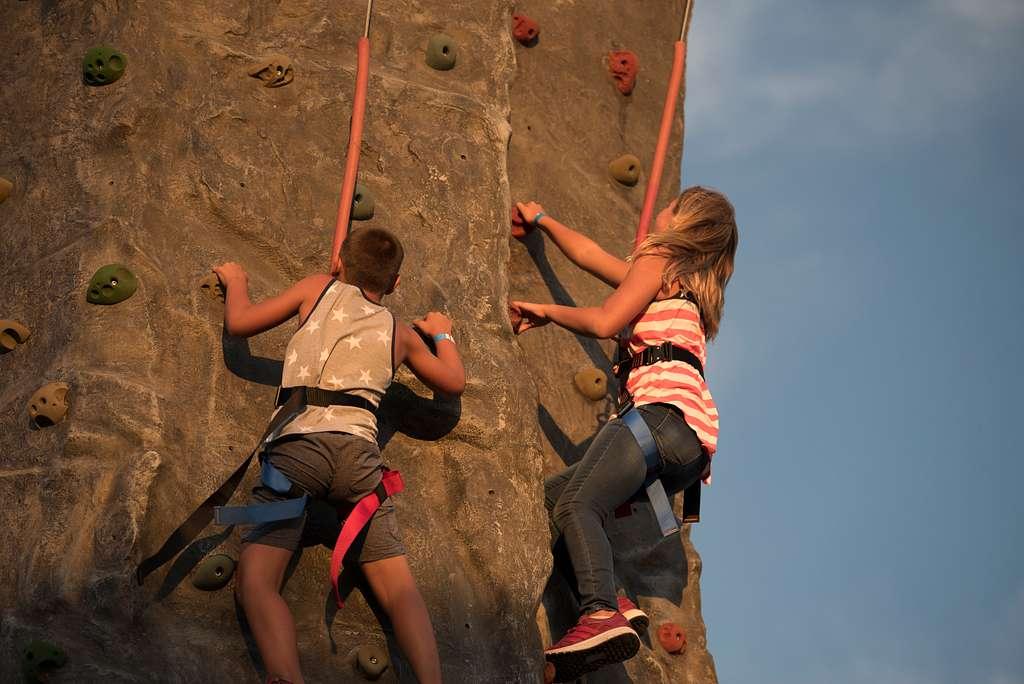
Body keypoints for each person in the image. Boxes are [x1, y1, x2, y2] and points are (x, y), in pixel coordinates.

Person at [213, 227, 465, 684]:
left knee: (256, 580)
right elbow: (452, 382)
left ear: (338, 264)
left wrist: (236, 281)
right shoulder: (400, 333)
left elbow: (241, 323)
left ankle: (286, 678)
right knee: (399, 587)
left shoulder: (316, 287)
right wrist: (442, 333)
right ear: (395, 284)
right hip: (358, 460)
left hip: (298, 452)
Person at [510, 187, 737, 682]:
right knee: (551, 502)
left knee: (575, 505)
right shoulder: (683, 284)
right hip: (685, 451)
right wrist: (544, 218)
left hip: (658, 419)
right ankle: (613, 601)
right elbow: (594, 257)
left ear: (682, 217)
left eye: (671, 204)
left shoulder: (662, 256)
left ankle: (598, 613)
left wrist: (545, 311)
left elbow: (606, 320)